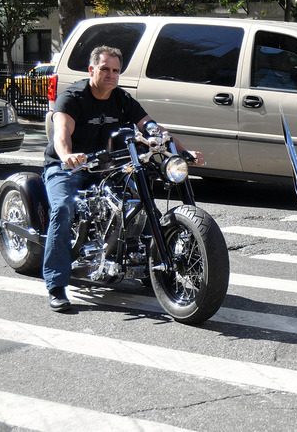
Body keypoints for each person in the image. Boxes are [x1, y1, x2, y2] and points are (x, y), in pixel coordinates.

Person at [43, 45, 204, 312]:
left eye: (116, 70)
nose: (111, 75)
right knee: (62, 208)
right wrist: (67, 155)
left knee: (139, 202)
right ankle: (56, 285)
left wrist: (183, 151)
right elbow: (61, 132)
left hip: (104, 168)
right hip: (68, 167)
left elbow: (151, 127)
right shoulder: (72, 97)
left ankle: (151, 268)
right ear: (91, 70)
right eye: (105, 69)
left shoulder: (122, 99)